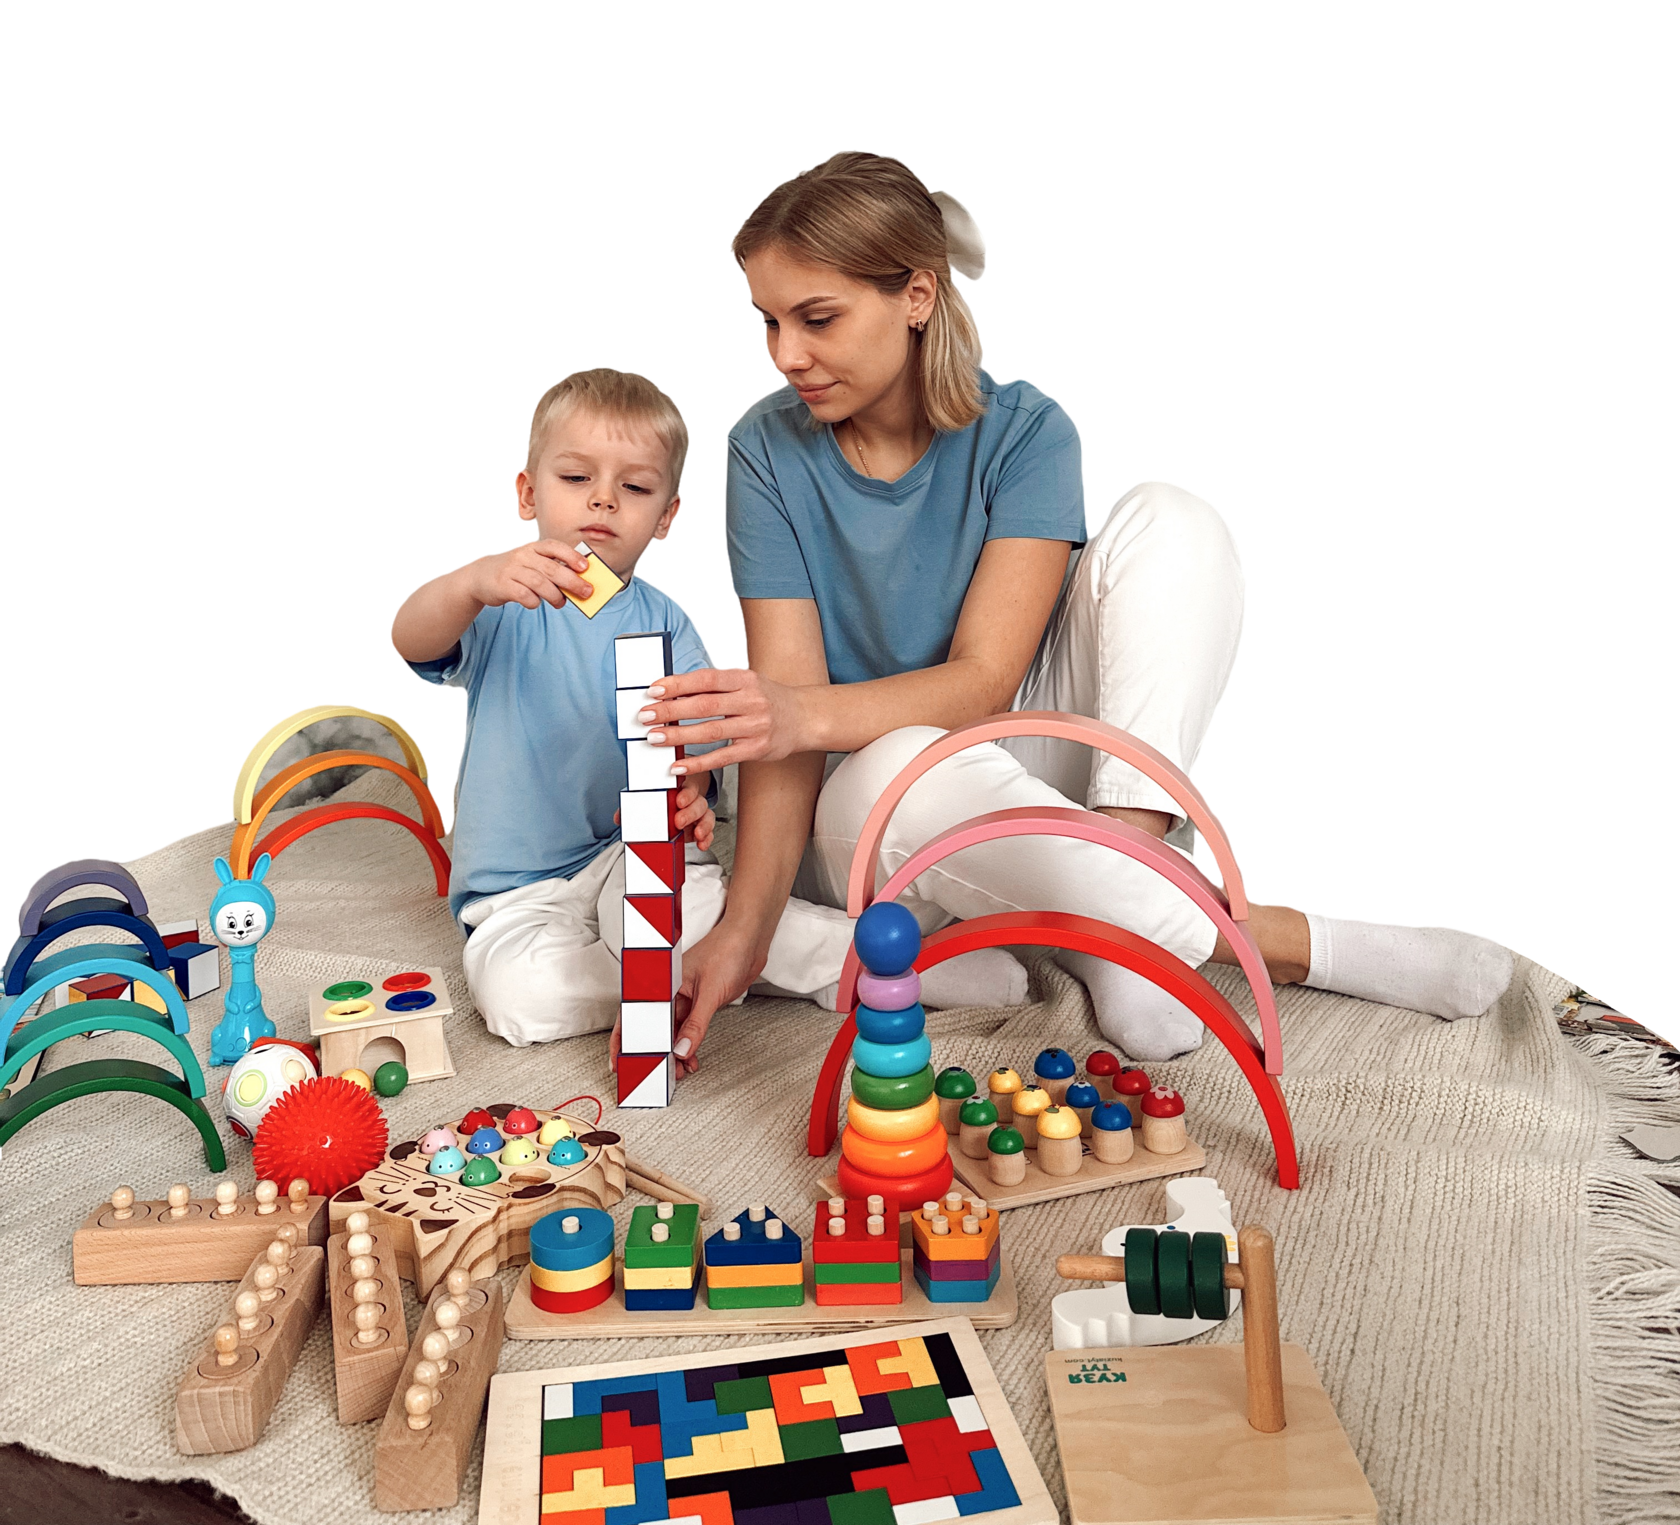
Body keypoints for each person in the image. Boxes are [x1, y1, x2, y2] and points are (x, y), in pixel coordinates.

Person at [616, 150, 1515, 1079]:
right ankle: (1295, 943)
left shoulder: (1029, 429)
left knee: (1174, 518)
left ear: (916, 295)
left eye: (817, 318)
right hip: (876, 815)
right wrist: (746, 927)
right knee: (909, 760)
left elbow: (985, 681)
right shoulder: (764, 446)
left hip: (1015, 751)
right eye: (768, 321)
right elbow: (786, 735)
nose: (784, 355)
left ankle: (1113, 911)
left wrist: (797, 711)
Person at [389, 367, 733, 1045]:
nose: (603, 499)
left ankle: (687, 961)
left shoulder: (669, 623)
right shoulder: (502, 599)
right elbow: (409, 640)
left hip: (626, 853)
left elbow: (698, 742)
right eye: (577, 477)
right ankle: (683, 976)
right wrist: (470, 582)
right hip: (517, 891)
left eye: (635, 488)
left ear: (667, 516)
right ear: (527, 493)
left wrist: (692, 790)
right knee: (515, 998)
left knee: (690, 894)